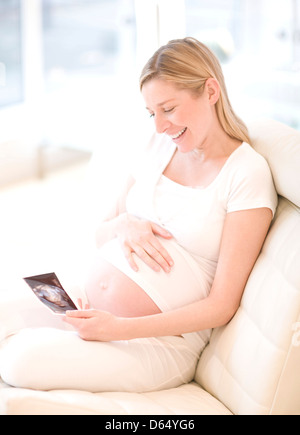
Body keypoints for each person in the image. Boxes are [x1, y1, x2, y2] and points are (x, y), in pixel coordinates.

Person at [0, 38, 278, 393]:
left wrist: (117, 328)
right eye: (152, 113)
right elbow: (99, 234)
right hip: (84, 305)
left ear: (210, 91)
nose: (160, 126)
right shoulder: (158, 145)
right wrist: (123, 225)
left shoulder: (246, 174)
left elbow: (221, 306)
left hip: (157, 343)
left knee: (21, 361)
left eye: (169, 109)